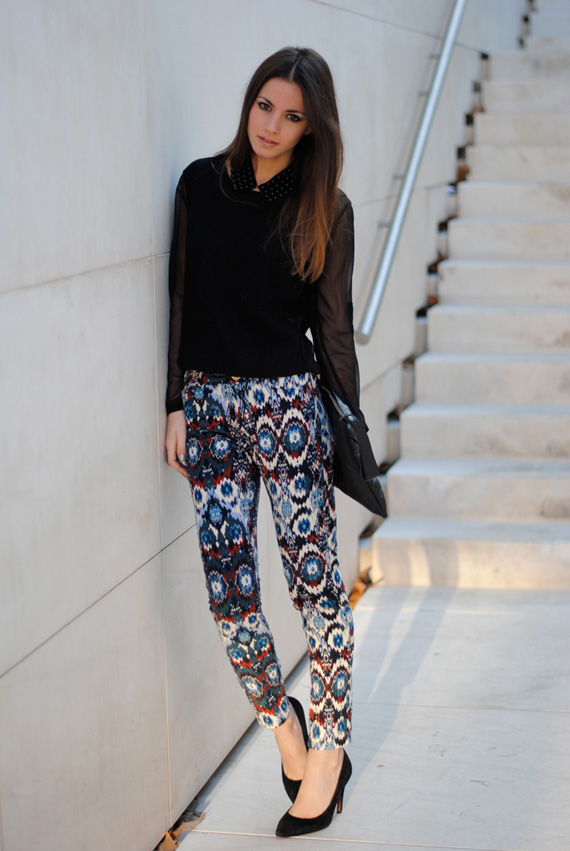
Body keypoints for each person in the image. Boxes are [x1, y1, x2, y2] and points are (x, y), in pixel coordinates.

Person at [165, 46, 363, 838]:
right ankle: (284, 729)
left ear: (313, 128)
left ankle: (331, 751)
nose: (273, 125)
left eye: (292, 116)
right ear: (249, 102)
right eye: (264, 106)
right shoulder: (198, 186)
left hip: (290, 411)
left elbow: (335, 332)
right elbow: (181, 298)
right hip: (208, 408)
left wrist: (349, 432)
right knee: (229, 592)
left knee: (317, 589)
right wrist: (174, 402)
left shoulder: (326, 209)